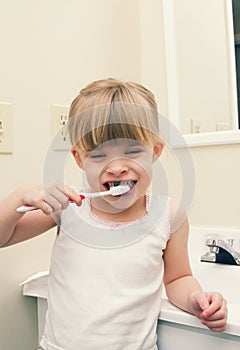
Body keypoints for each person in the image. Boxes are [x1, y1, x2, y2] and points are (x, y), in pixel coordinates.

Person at [0, 78, 227, 350]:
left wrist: (197, 300)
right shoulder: (68, 205)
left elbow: (178, 278)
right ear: (79, 159)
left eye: (132, 151)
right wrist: (19, 196)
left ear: (155, 151)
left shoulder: (168, 215)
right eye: (98, 156)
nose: (117, 167)